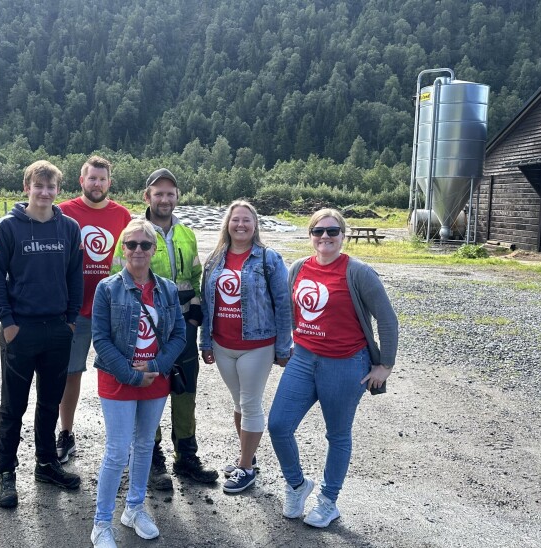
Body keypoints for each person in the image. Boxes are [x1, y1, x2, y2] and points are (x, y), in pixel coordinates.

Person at [267, 207, 398, 527]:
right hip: (303, 359)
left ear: (343, 235)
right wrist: (284, 346)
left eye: (332, 231)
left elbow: (387, 318)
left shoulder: (358, 272)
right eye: (318, 231)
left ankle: (328, 501)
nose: (325, 237)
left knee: (337, 435)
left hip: (345, 364)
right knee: (278, 425)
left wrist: (385, 365)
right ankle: (297, 485)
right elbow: (287, 310)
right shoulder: (298, 268)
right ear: (310, 235)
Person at [0, 160, 84, 509]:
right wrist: (8, 322)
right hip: (21, 330)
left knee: (49, 402)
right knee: (13, 405)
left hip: (58, 328)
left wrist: (71, 319)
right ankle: (6, 473)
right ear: (26, 187)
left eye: (51, 187)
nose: (44, 192)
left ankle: (46, 464)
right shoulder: (8, 227)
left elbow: (76, 276)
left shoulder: (69, 228)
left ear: (58, 190)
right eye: (38, 186)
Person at [111, 168, 218, 488]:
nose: (165, 199)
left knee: (184, 390)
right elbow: (118, 281)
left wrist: (197, 309)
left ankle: (186, 457)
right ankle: (152, 458)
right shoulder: (133, 234)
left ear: (177, 197)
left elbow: (196, 277)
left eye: (170, 194)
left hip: (182, 328)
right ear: (147, 197)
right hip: (147, 329)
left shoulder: (187, 233)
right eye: (158, 194)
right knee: (149, 390)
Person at [89, 219, 186, 548]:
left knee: (144, 446)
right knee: (117, 452)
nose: (138, 250)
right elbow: (100, 339)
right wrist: (130, 373)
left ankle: (133, 509)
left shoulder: (168, 289)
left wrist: (157, 366)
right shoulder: (108, 288)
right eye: (131, 244)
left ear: (154, 249)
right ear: (123, 248)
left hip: (156, 381)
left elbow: (179, 335)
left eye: (145, 244)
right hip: (118, 379)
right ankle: (101, 523)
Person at [199, 200, 293, 494]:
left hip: (257, 345)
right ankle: (246, 455)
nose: (240, 225)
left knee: (251, 403)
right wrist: (205, 341)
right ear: (227, 224)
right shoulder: (215, 258)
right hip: (222, 344)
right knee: (239, 402)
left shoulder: (269, 259)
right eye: (235, 220)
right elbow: (206, 304)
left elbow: (283, 304)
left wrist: (283, 347)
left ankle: (246, 468)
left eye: (247, 221)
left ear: (255, 226)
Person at [56, 155, 133, 464]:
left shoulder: (123, 215)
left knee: (119, 373)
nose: (97, 184)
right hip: (73, 310)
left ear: (109, 183)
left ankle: (122, 440)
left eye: (102, 179)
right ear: (82, 180)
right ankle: (66, 434)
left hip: (113, 310)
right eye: (92, 178)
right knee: (70, 374)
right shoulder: (63, 212)